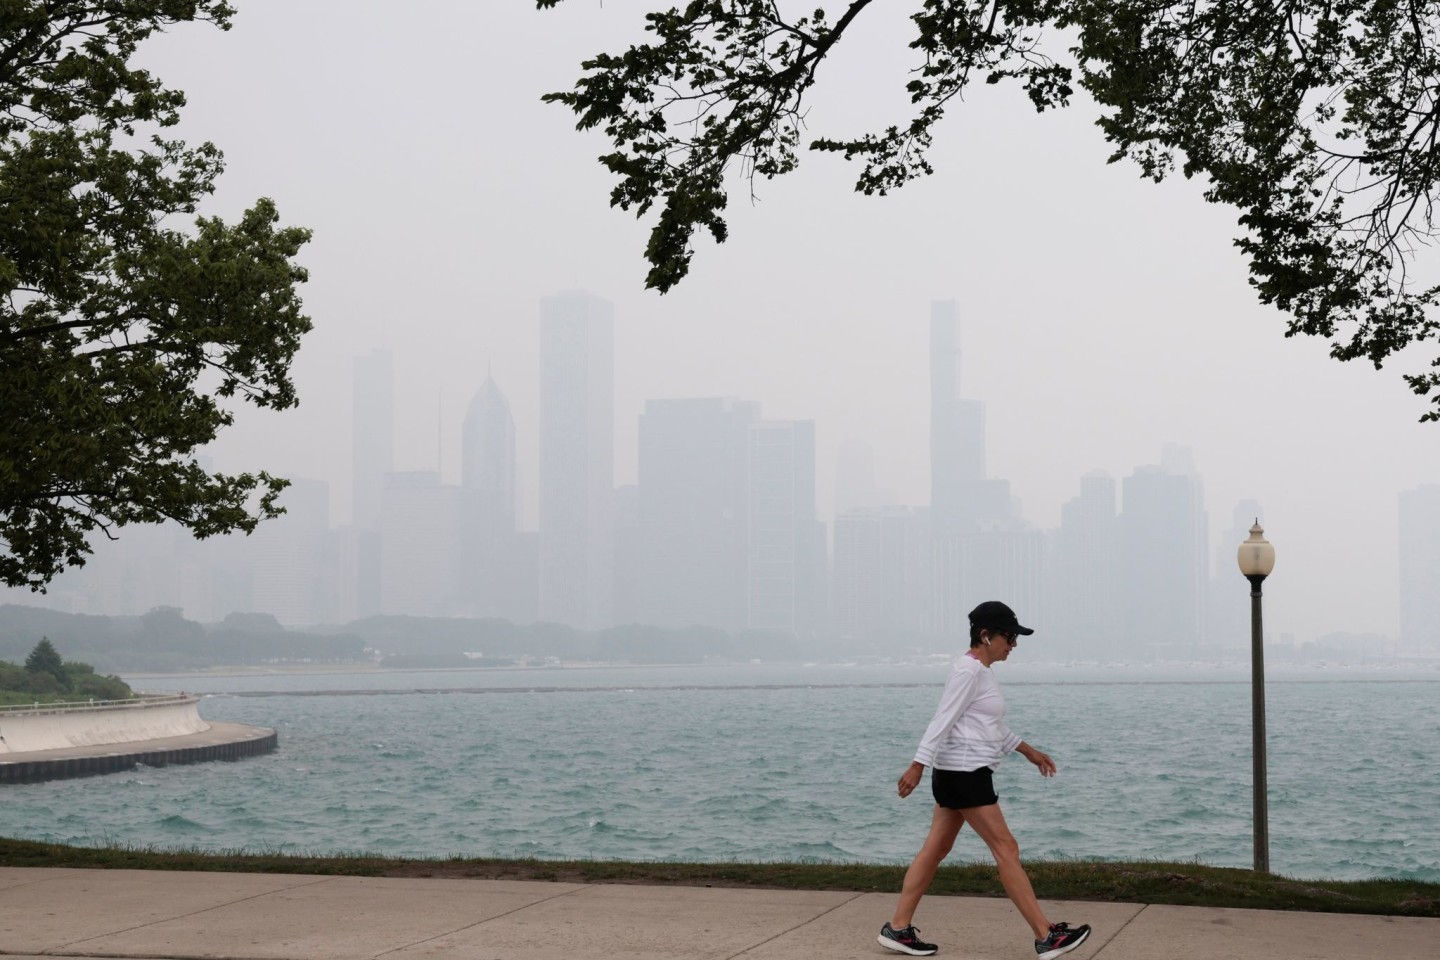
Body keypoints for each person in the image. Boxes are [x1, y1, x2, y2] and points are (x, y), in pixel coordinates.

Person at [877, 601, 1091, 959]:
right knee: (1006, 848)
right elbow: (942, 719)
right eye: (1010, 637)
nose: (1014, 645)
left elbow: (989, 727)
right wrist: (917, 765)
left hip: (957, 773)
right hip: (965, 774)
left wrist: (1028, 751)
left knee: (935, 850)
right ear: (985, 635)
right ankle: (1046, 936)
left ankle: (898, 928)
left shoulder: (979, 673)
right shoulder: (969, 672)